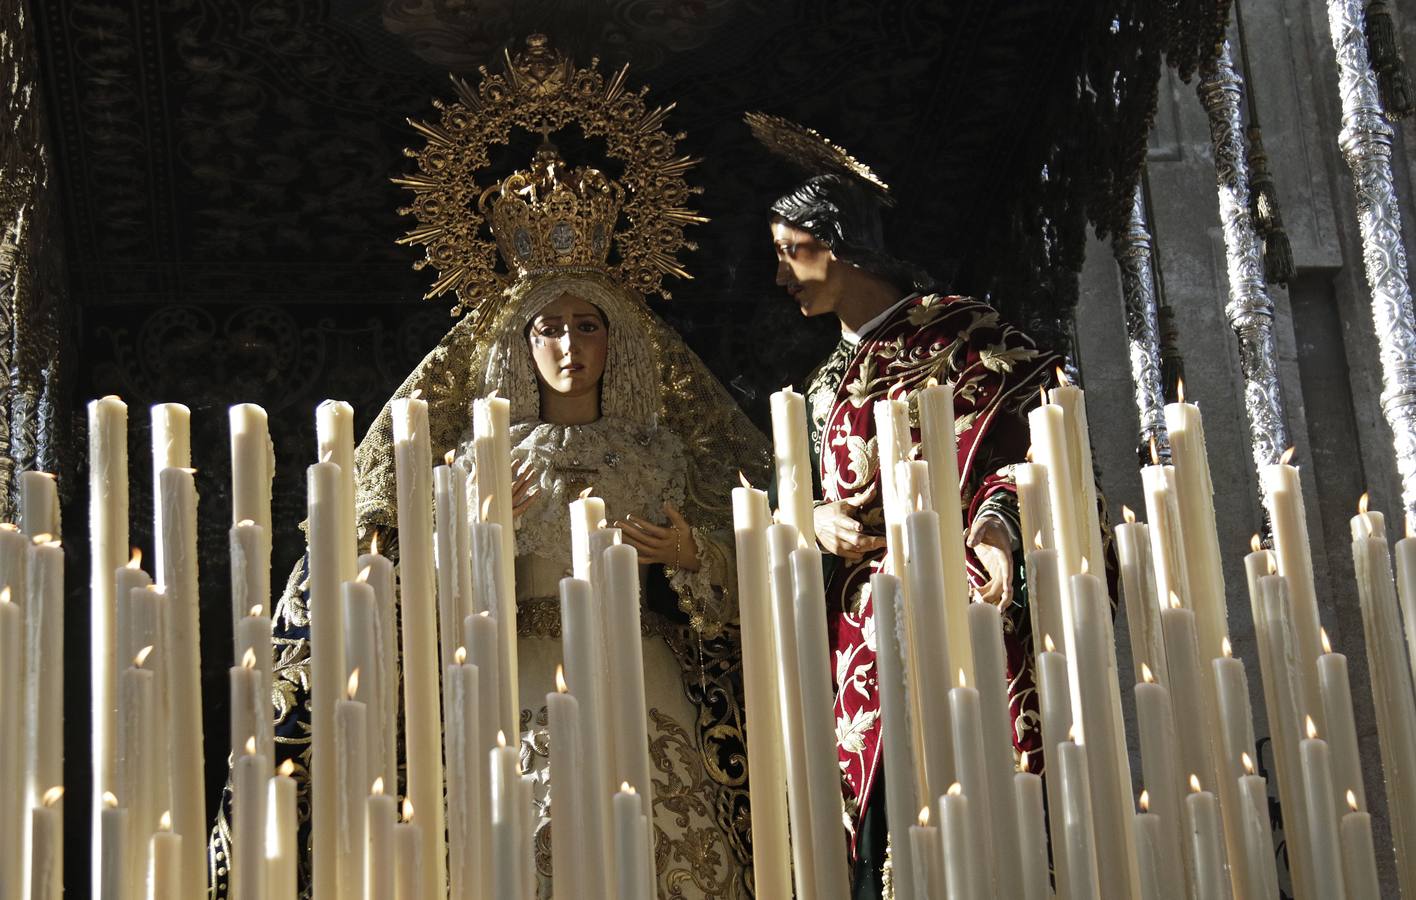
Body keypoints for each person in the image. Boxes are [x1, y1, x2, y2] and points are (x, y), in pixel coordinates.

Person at [207, 39, 767, 899]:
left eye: (587, 326)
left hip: (647, 675)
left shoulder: (664, 455)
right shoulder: (483, 461)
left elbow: (750, 599)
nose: (569, 345)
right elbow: (409, 598)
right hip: (522, 676)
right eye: (549, 327)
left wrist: (696, 558)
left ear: (616, 338)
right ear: (520, 342)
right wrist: (469, 533)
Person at [748, 112, 1063, 898]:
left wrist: (996, 529)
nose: (782, 277)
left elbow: (1036, 448)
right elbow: (801, 497)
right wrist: (810, 518)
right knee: (877, 831)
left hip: (958, 601)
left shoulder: (960, 336)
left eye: (793, 253)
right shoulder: (822, 386)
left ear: (843, 244)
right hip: (858, 634)